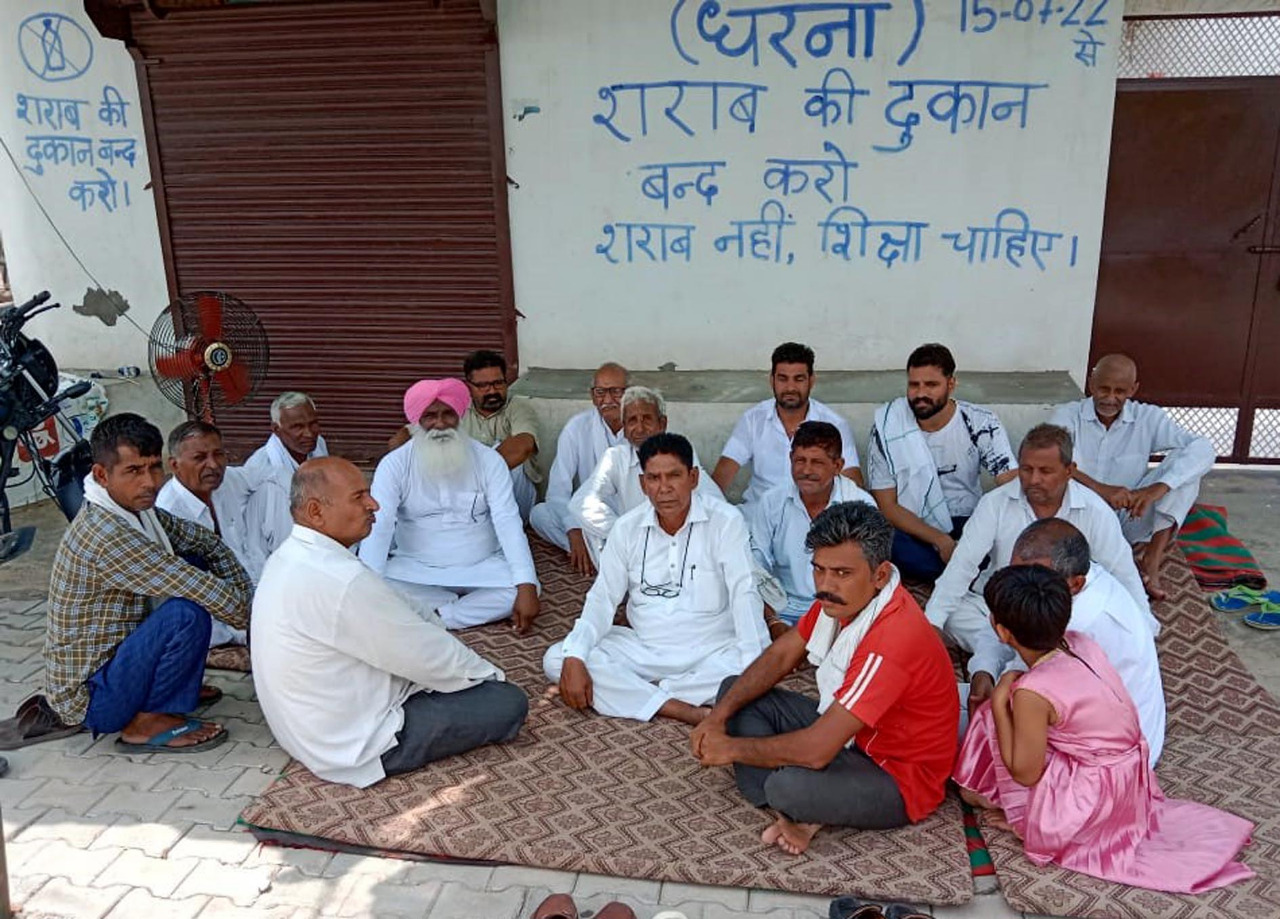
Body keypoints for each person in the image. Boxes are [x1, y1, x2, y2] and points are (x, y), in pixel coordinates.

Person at [954, 566, 1253, 894]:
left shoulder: (1032, 693)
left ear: (1002, 632)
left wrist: (999, 702)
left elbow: (1025, 773)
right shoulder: (1080, 643)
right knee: (1001, 722)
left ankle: (1035, 823)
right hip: (1127, 778)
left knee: (979, 761)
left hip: (1096, 796)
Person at [691, 503, 958, 855]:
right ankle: (796, 814)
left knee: (788, 786)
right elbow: (782, 654)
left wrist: (730, 749)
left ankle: (795, 806)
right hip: (854, 738)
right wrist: (717, 718)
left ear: (880, 575)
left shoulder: (892, 638)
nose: (826, 585)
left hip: (898, 778)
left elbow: (817, 751)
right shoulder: (841, 601)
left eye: (842, 573)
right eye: (819, 570)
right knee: (733, 693)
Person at [252, 457, 527, 787]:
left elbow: (398, 606)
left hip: (306, 731)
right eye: (358, 497)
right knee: (506, 702)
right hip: (354, 744)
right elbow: (424, 655)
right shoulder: (339, 579)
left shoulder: (292, 556)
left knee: (418, 626)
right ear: (316, 512)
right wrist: (488, 677)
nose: (374, 504)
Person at [42, 414, 251, 752]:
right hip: (92, 698)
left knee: (195, 562)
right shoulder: (105, 533)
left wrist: (246, 593)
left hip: (117, 662)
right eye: (134, 471)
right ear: (101, 474)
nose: (150, 482)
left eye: (154, 468)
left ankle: (170, 690)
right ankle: (145, 721)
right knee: (186, 611)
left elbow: (206, 543)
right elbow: (196, 587)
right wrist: (265, 624)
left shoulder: (138, 509)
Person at [544, 434, 768, 726]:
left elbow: (744, 593)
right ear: (642, 484)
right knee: (559, 658)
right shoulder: (627, 528)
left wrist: (754, 665)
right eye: (654, 478)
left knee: (756, 661)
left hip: (712, 650)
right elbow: (602, 598)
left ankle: (642, 695)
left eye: (674, 476)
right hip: (645, 649)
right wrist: (575, 656)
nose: (664, 489)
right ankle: (679, 706)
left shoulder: (726, 521)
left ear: (694, 477)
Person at [925, 424, 1150, 714]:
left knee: (1076, 638)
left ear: (1070, 470)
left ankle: (1014, 652)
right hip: (994, 605)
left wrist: (1143, 630)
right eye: (1026, 469)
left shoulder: (1094, 511)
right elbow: (961, 567)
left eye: (1045, 471)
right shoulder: (995, 503)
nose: (1033, 480)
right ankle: (1017, 650)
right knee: (955, 614)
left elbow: (1124, 573)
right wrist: (931, 625)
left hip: (1057, 615)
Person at [359, 378, 540, 631]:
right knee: (375, 584)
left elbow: (508, 522)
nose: (441, 424)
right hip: (416, 570)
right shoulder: (395, 465)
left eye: (448, 414)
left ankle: (440, 615)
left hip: (481, 566)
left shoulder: (489, 461)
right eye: (430, 416)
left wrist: (526, 585)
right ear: (416, 421)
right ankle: (457, 609)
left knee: (523, 588)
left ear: (460, 416)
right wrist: (369, 591)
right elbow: (380, 527)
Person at [1051, 354, 1215, 600]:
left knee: (1186, 472)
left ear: (1133, 389)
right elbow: (1055, 460)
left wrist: (1156, 489)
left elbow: (1203, 448)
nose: (1110, 398)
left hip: (1130, 515)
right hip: (1079, 517)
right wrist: (1102, 490)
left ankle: (1152, 559)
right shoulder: (1067, 415)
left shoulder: (1148, 417)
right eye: (1104, 389)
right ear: (1091, 384)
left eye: (1120, 391)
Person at [1004, 518, 1165, 764]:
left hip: (1111, 758)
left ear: (1076, 583)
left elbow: (1025, 692)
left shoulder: (1075, 625)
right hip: (1111, 729)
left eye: (1032, 580)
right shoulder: (1078, 581)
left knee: (983, 725)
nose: (1017, 586)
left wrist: (995, 696)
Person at [866, 343, 1017, 582]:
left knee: (1001, 539)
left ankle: (954, 572)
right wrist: (940, 540)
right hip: (914, 527)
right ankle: (963, 574)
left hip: (968, 521)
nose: (920, 393)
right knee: (882, 541)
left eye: (931, 385)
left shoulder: (981, 423)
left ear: (951, 384)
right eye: (914, 384)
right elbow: (887, 505)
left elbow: (1010, 483)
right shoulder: (888, 428)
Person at [568, 386, 723, 564]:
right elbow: (582, 501)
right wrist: (625, 534)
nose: (640, 428)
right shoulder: (616, 457)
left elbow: (714, 500)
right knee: (590, 529)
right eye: (632, 420)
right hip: (633, 548)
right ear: (624, 429)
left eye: (647, 419)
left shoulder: (679, 453)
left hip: (676, 544)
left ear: (663, 424)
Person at [156, 420, 276, 648]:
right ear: (175, 465)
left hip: (254, 590)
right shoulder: (170, 513)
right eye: (199, 458)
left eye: (218, 454)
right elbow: (196, 593)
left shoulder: (227, 480)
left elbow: (270, 475)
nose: (213, 465)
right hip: (218, 618)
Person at [747, 421, 875, 628]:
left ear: (838, 466)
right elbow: (755, 567)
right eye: (800, 460)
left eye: (817, 462)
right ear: (790, 459)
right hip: (782, 609)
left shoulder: (861, 506)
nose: (806, 470)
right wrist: (772, 621)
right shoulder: (772, 501)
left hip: (841, 610)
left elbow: (867, 577)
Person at [712, 342, 862, 504]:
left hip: (813, 516)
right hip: (758, 516)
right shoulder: (753, 420)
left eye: (799, 379)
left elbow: (853, 484)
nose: (790, 387)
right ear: (772, 380)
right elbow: (720, 479)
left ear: (811, 381)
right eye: (783, 379)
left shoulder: (835, 424)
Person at [530, 362, 629, 574]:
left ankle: (598, 554)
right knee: (539, 514)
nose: (608, 400)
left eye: (616, 392)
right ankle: (588, 551)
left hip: (627, 518)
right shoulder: (576, 427)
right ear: (592, 396)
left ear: (629, 393)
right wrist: (573, 529)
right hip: (588, 520)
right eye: (601, 392)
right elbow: (557, 491)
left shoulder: (640, 426)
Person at [459, 349, 542, 522]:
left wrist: (475, 478)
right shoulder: (456, 411)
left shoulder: (518, 408)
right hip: (467, 497)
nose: (492, 391)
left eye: (498, 383)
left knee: (509, 454)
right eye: (483, 386)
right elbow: (406, 437)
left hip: (515, 500)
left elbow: (523, 447)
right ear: (469, 387)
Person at [245, 391, 328, 474]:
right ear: (277, 429)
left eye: (313, 424)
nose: (309, 434)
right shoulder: (259, 467)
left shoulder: (319, 443)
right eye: (298, 427)